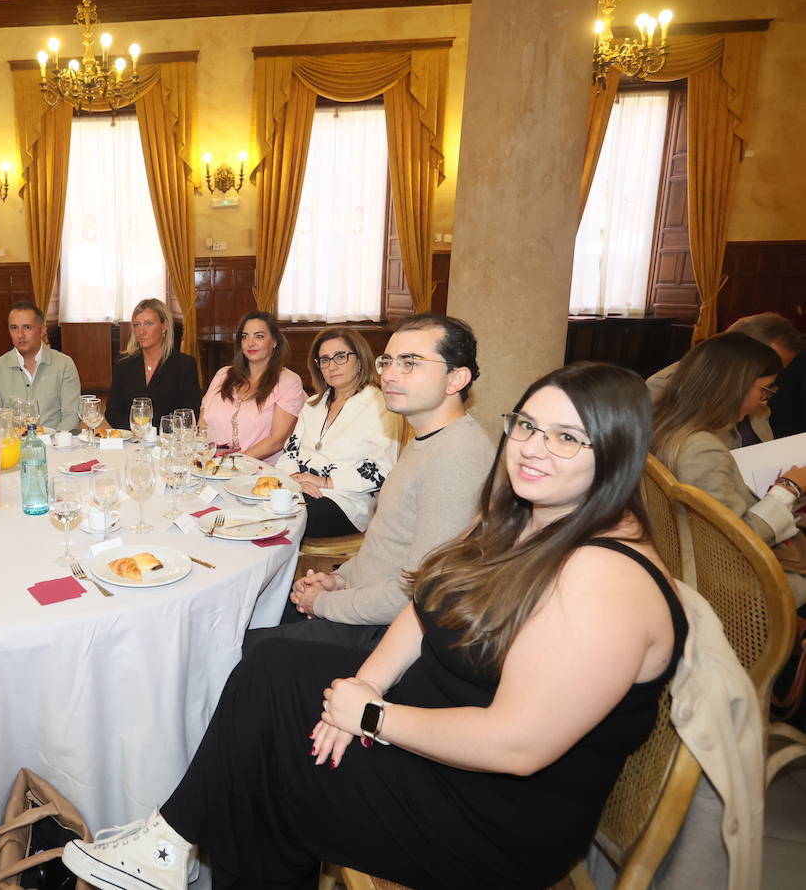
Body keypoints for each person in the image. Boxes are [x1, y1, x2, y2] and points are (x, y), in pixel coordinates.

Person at [63, 362, 685, 890]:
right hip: (436, 722)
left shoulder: (606, 581)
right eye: (525, 425)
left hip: (493, 810)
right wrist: (361, 687)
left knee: (271, 768)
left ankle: (179, 847)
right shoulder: (526, 514)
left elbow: (518, 746)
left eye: (566, 438)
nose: (532, 448)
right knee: (271, 667)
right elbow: (425, 602)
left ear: (617, 450)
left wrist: (370, 716)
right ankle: (169, 845)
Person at [249, 313, 493, 649]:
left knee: (251, 651)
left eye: (410, 363)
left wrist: (324, 602)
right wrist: (337, 580)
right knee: (249, 626)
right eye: (388, 361)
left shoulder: (457, 457)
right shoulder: (428, 439)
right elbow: (385, 550)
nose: (389, 374)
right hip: (362, 594)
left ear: (456, 379)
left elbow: (419, 592)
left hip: (382, 632)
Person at [651, 332, 806, 605]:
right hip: (730, 585)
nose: (765, 401)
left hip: (682, 563)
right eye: (764, 389)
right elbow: (732, 543)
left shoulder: (664, 426)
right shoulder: (700, 448)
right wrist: (789, 489)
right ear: (736, 385)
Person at [275, 328, 398, 539]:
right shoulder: (313, 404)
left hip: (347, 499)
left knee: (286, 517)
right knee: (264, 503)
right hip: (300, 488)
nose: (332, 366)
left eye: (340, 357)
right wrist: (297, 481)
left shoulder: (380, 404)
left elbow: (382, 469)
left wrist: (324, 482)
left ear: (359, 359)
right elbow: (290, 452)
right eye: (324, 359)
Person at [647, 312, 804, 445]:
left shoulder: (759, 389)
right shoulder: (665, 386)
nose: (774, 372)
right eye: (766, 361)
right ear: (734, 349)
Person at [199, 311, 305, 461]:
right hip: (212, 466)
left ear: (274, 341)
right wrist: (203, 458)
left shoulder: (288, 381)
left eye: (259, 336)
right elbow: (202, 424)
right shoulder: (223, 375)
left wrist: (234, 463)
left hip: (259, 473)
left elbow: (277, 441)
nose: (250, 343)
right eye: (245, 336)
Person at [104, 299, 201, 431]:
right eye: (137, 325)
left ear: (164, 325)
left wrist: (154, 434)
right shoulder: (124, 365)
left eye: (149, 324)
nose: (141, 331)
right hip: (131, 441)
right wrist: (138, 433)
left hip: (168, 444)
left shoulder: (184, 365)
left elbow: (189, 414)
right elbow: (112, 413)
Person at [0, 301, 80, 431]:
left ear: (43, 329)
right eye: (14, 328)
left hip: (55, 445)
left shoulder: (64, 365)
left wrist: (54, 444)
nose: (20, 335)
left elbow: (71, 416)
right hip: (12, 446)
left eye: (27, 327)